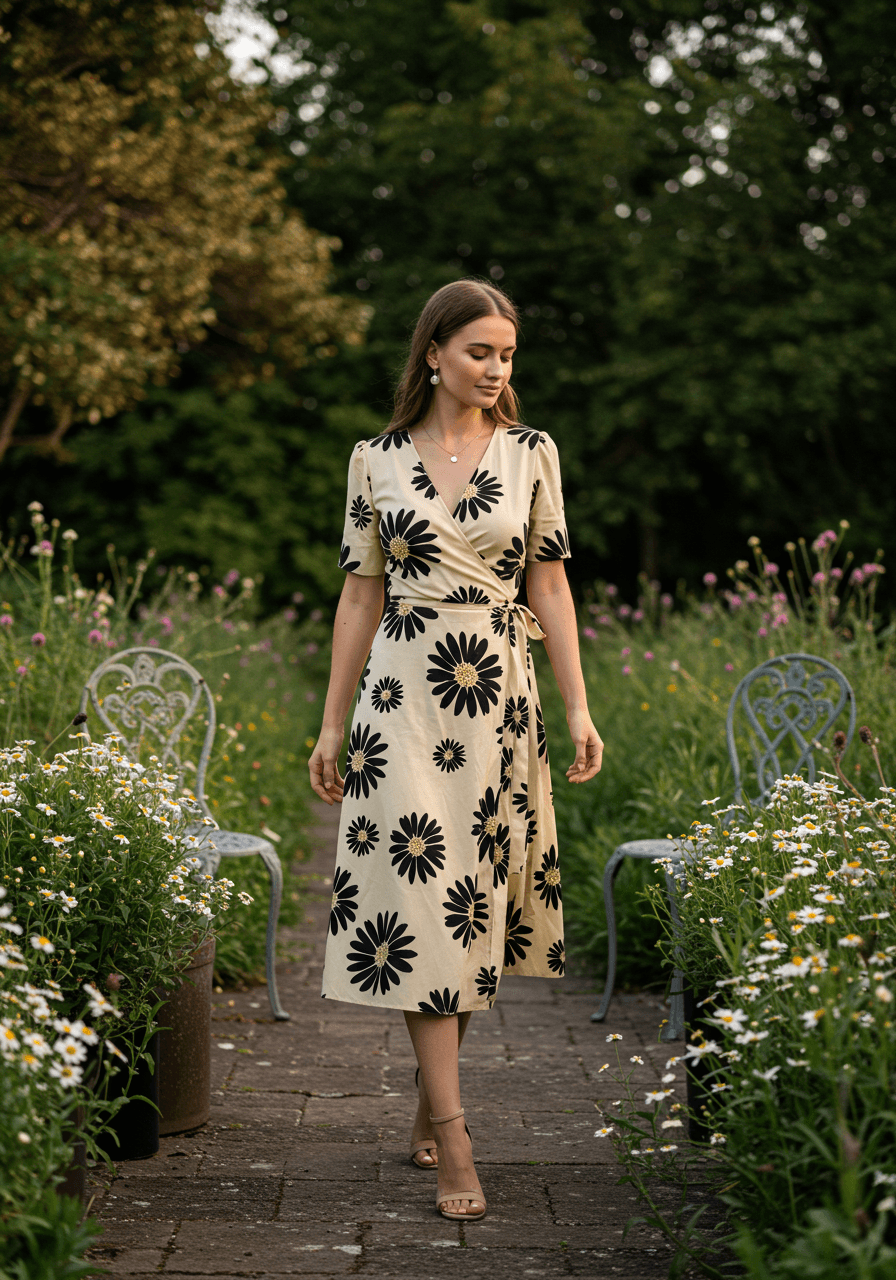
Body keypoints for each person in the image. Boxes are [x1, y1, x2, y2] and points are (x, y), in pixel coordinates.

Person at [309, 278, 604, 1222]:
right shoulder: (376, 461)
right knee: (420, 900)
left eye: (507, 355)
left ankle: (429, 1099)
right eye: (480, 351)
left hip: (499, 699)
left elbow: (551, 587)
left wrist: (580, 705)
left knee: (473, 905)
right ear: (433, 353)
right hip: (402, 696)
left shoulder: (531, 456)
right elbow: (359, 594)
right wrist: (329, 722)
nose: (496, 369)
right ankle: (456, 1135)